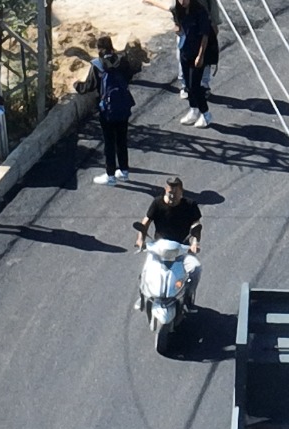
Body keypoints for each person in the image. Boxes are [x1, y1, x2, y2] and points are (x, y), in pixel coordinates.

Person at [134, 178, 203, 308]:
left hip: (182, 248)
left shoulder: (190, 205)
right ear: (165, 190)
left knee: (196, 269)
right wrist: (140, 239)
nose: (172, 197)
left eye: (175, 194)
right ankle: (143, 296)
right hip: (159, 248)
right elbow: (146, 221)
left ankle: (188, 297)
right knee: (145, 271)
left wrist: (195, 243)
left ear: (181, 192)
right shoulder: (157, 203)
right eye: (169, 193)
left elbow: (196, 225)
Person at [91, 36, 134, 184]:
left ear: (99, 49)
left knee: (109, 142)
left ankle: (110, 175)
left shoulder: (97, 65)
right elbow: (130, 75)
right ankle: (124, 171)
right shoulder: (122, 61)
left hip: (107, 110)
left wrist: (76, 85)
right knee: (122, 140)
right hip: (123, 105)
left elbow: (90, 85)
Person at [170, 0, 215, 126]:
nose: (183, 1)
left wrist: (200, 56)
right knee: (188, 85)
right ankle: (193, 109)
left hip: (197, 55)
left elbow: (205, 36)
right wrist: (177, 28)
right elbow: (179, 28)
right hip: (185, 52)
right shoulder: (179, 10)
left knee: (195, 86)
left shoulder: (200, 12)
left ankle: (206, 114)